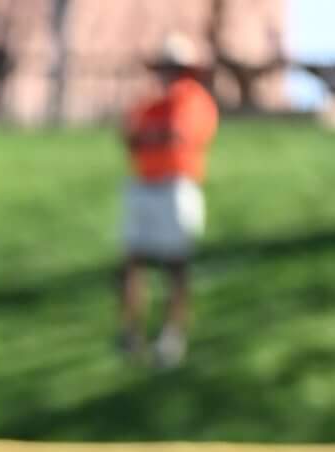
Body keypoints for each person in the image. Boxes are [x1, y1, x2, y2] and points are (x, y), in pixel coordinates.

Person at [119, 34, 219, 368]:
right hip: (144, 184)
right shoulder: (147, 103)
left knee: (175, 265)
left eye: (174, 67)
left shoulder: (194, 100)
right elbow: (131, 137)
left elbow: (177, 136)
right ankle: (132, 333)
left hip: (177, 187)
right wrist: (151, 137)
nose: (168, 73)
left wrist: (153, 137)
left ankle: (171, 335)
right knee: (133, 261)